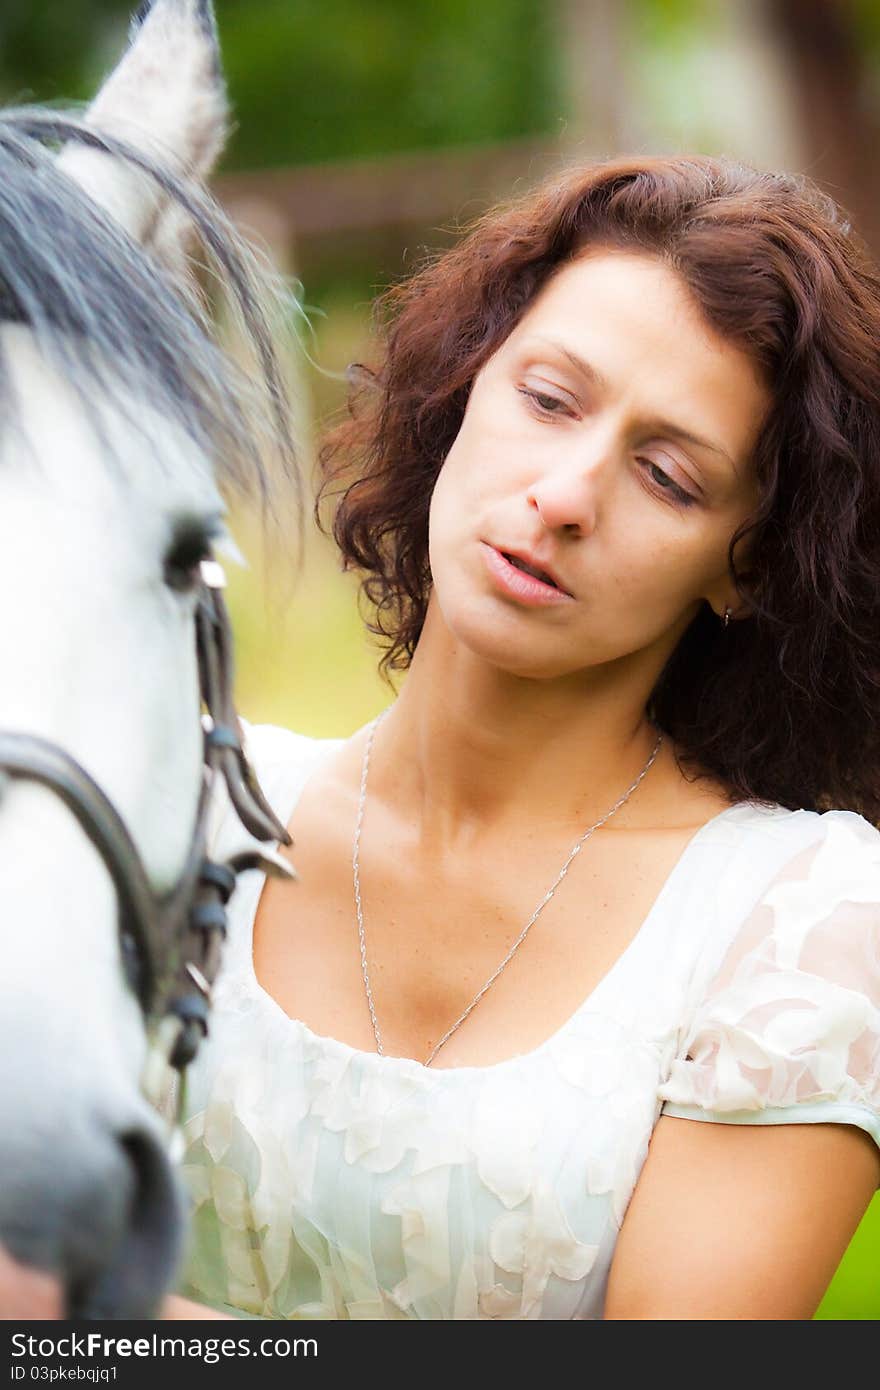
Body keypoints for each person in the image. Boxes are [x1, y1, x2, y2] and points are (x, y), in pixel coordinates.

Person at [162, 154, 880, 1321]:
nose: (564, 493)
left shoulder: (797, 927)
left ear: (746, 569)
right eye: (547, 400)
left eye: (666, 474)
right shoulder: (170, 795)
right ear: (462, 388)